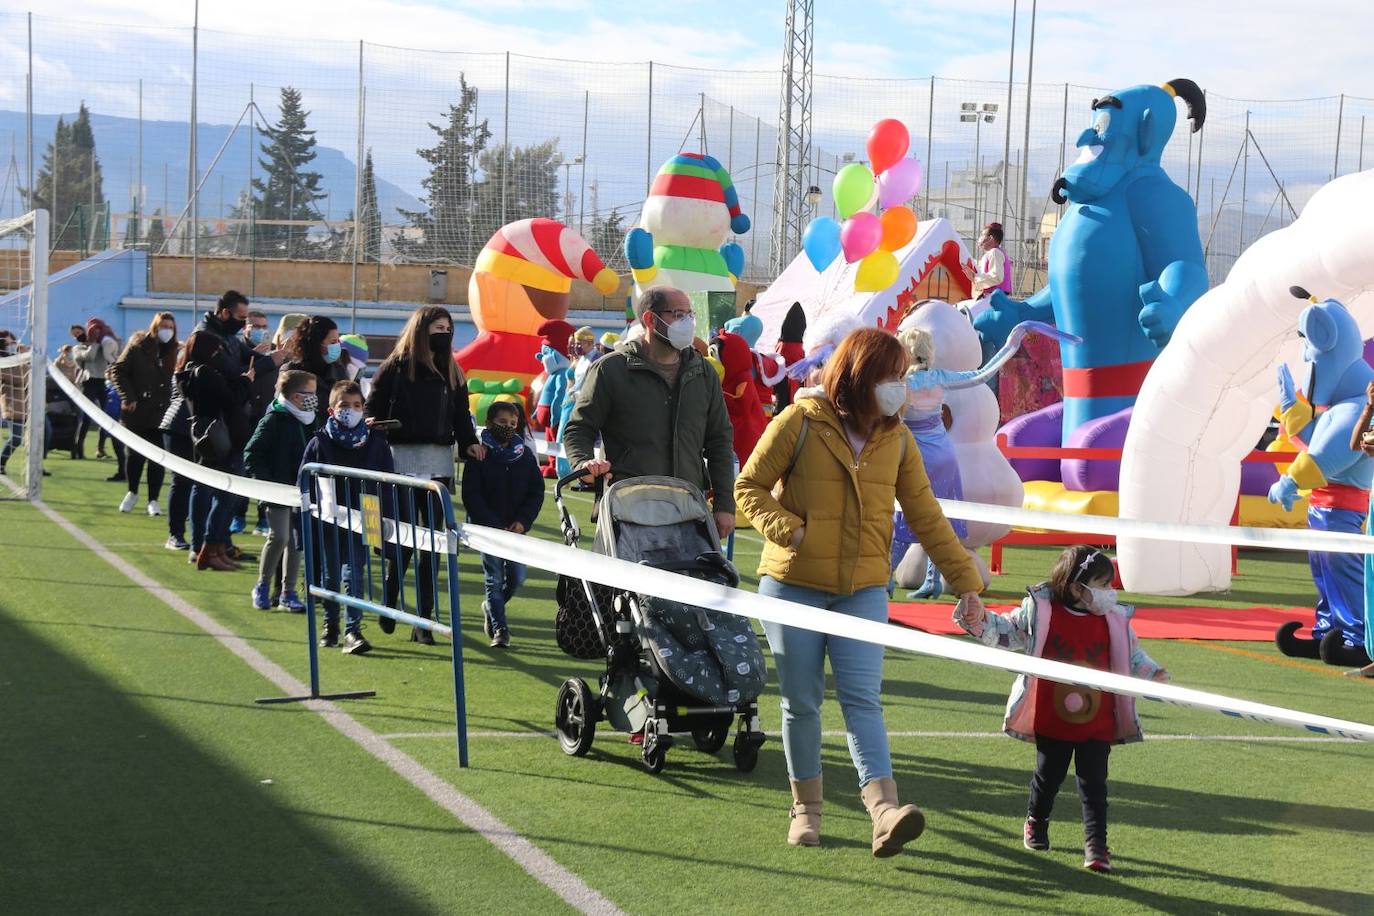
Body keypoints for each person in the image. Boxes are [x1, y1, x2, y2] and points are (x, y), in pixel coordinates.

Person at [734, 326, 985, 856]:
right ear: (859, 376)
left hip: (864, 589)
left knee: (863, 702)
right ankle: (806, 810)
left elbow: (926, 515)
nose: (901, 386)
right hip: (791, 586)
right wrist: (793, 532)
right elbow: (747, 489)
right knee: (801, 704)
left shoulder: (898, 439)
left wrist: (967, 582)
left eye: (903, 375)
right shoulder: (799, 420)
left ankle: (883, 811)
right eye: (891, 376)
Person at [954, 545, 1169, 873]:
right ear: (1074, 587)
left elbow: (1133, 655)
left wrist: (1154, 673)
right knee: (1048, 775)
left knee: (1094, 781)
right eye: (1101, 585)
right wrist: (978, 620)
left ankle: (1096, 846)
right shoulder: (1042, 611)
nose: (1109, 594)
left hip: (1098, 718)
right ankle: (1036, 821)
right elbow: (1008, 631)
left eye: (1110, 586)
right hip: (1052, 716)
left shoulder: (1114, 620)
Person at [565, 286, 736, 540]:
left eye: (690, 314)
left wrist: (724, 505)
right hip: (627, 510)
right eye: (678, 314)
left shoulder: (703, 373)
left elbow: (720, 442)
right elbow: (579, 428)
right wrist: (583, 464)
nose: (687, 322)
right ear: (649, 319)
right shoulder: (611, 370)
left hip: (688, 510)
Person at [365, 305, 483, 644]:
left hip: (439, 464)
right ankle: (389, 604)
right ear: (421, 329)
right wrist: (373, 422)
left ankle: (424, 621)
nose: (445, 333)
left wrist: (470, 443)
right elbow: (373, 407)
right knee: (402, 541)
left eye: (448, 327)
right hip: (400, 459)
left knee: (433, 544)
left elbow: (462, 416)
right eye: (438, 327)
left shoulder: (452, 370)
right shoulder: (394, 368)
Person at [302, 380, 395, 654]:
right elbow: (304, 479)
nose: (350, 411)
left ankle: (352, 630)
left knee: (354, 572)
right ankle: (330, 625)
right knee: (331, 575)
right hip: (330, 516)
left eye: (356, 406)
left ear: (364, 409)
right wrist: (305, 518)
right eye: (344, 406)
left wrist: (383, 524)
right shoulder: (319, 441)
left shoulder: (376, 441)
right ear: (331, 410)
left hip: (366, 513)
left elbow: (387, 482)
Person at [461, 401, 544, 648]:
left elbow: (536, 492)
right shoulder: (479, 456)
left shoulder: (526, 456)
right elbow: (471, 495)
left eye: (512, 424)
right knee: (494, 578)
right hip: (490, 532)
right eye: (502, 423)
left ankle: (491, 606)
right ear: (489, 423)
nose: (507, 428)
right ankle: (500, 628)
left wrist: (522, 521)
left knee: (517, 577)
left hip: (516, 531)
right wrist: (492, 524)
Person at [243, 369, 319, 613]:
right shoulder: (274, 419)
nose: (314, 399)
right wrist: (267, 483)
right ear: (296, 396)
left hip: (301, 491)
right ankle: (262, 585)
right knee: (280, 537)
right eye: (310, 393)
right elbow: (252, 454)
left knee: (297, 542)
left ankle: (288, 592)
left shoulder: (310, 419)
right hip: (276, 489)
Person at [178, 329, 253, 572]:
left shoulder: (189, 372)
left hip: (208, 439)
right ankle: (210, 546)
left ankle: (213, 547)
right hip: (222, 439)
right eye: (217, 350)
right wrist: (245, 381)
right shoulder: (205, 374)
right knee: (226, 495)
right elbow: (231, 400)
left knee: (208, 491)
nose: (220, 354)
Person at [109, 312, 178, 516]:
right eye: (163, 326)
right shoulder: (138, 347)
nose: (167, 330)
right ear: (155, 327)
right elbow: (118, 370)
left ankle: (153, 499)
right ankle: (132, 492)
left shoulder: (175, 350)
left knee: (157, 457)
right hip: (136, 411)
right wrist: (128, 397)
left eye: (170, 327)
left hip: (163, 413)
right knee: (135, 455)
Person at [72, 318, 124, 474]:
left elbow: (114, 353)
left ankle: (100, 448)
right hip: (88, 382)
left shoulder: (103, 343)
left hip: (102, 382)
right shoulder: (78, 348)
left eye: (80, 332)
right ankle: (78, 449)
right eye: (76, 334)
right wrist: (94, 343)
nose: (79, 336)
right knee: (85, 419)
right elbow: (90, 357)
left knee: (107, 417)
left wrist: (110, 337)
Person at [158, 383, 194, 551]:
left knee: (195, 484)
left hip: (195, 425)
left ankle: (205, 539)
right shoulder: (193, 364)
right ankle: (175, 534)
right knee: (181, 481)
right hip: (180, 427)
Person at [282, 315, 348, 401]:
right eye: (333, 342)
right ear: (316, 344)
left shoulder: (338, 370)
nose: (337, 346)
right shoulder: (292, 371)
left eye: (338, 341)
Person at [962, 222, 1014, 301]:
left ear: (990, 238)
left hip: (995, 298)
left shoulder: (995, 252)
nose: (980, 238)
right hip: (993, 297)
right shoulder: (995, 253)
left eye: (983, 235)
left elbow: (996, 276)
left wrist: (974, 278)